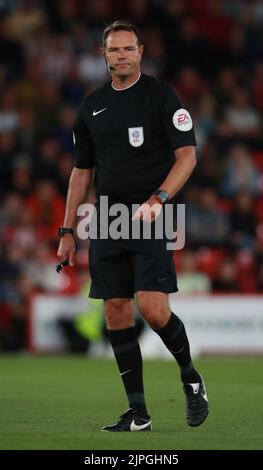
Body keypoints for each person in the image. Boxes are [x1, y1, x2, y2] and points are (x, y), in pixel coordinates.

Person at [57, 20, 209, 432]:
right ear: (103, 55)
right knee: (116, 311)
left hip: (151, 214)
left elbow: (187, 157)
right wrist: (67, 231)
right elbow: (81, 172)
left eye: (128, 48)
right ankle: (138, 413)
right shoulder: (91, 107)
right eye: (114, 49)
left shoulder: (161, 97)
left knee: (154, 310)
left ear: (141, 51)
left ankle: (191, 379)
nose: (121, 55)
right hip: (107, 217)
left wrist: (159, 199)